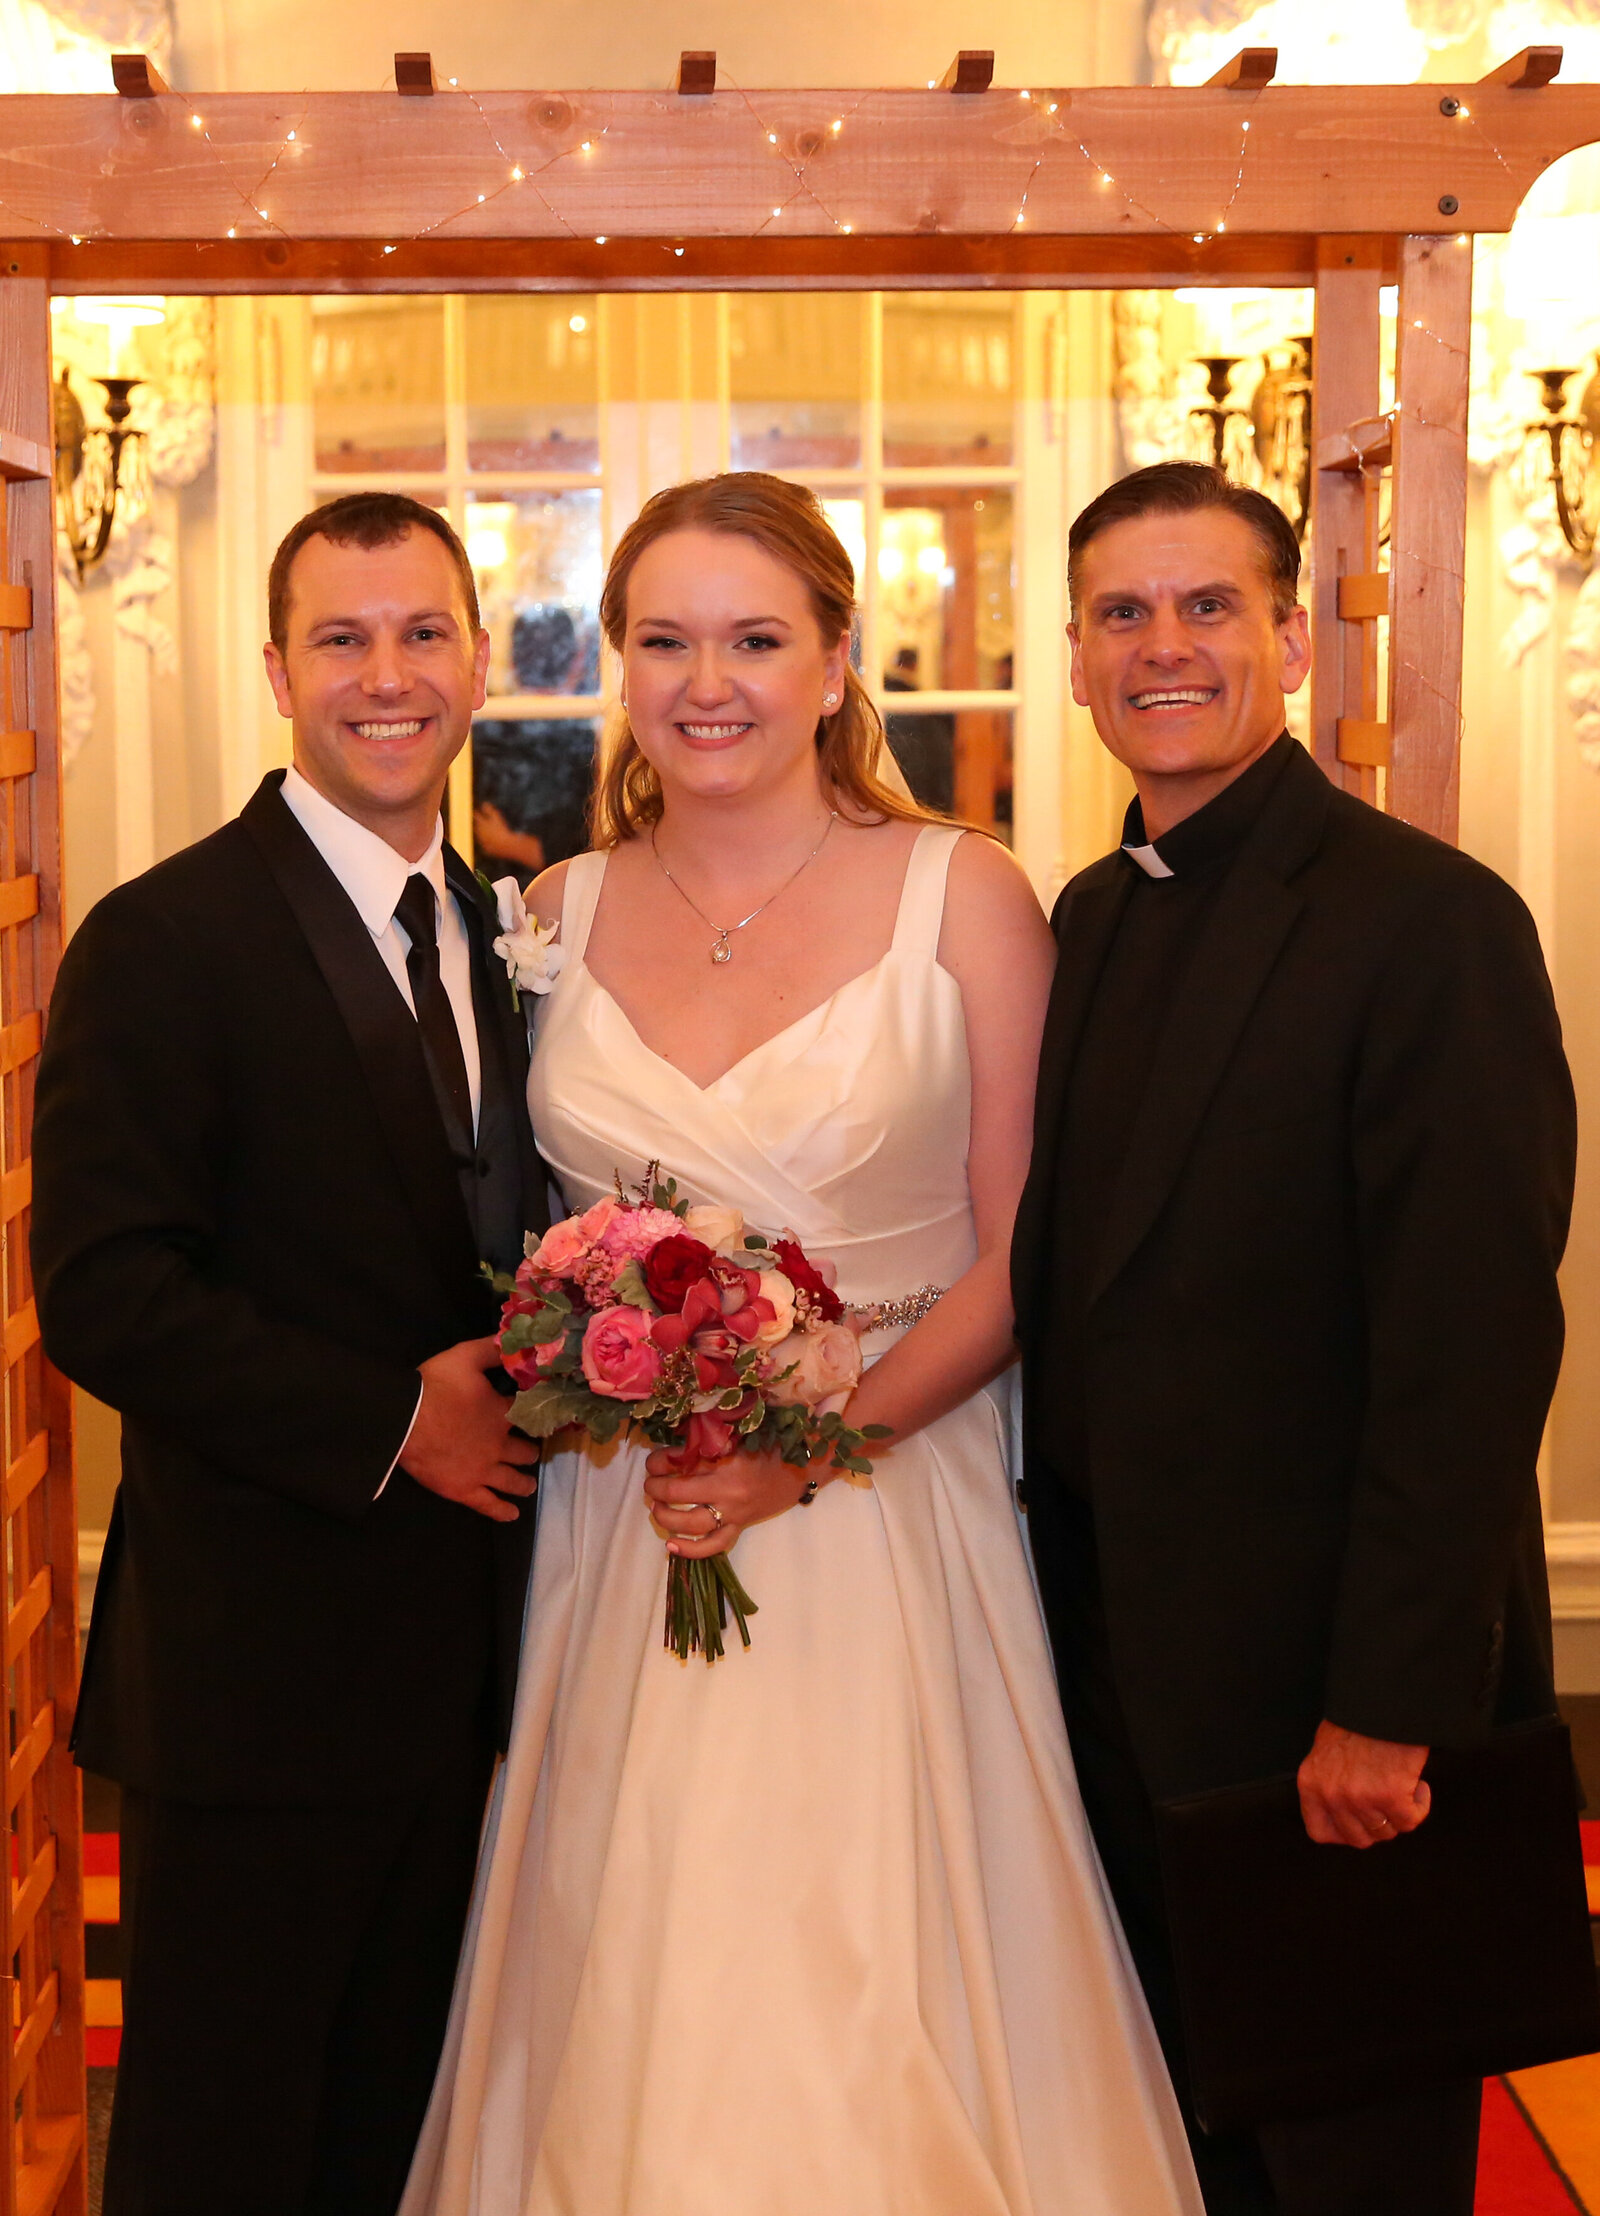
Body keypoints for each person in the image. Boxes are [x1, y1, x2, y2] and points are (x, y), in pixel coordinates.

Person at [401, 472, 1203, 2216]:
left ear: (840, 661)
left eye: (758, 639)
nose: (713, 681)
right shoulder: (557, 914)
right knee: (632, 1956)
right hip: (630, 1527)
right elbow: (529, 1233)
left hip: (886, 1516)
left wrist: (805, 1454)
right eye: (668, 640)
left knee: (864, 1965)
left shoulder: (963, 898)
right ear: (617, 663)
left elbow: (1022, 1256)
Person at [1011, 460, 1576, 2216]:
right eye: (1122, 614)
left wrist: (1388, 1709)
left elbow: (1468, 1349)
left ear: (1287, 642)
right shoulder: (1090, 917)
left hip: (1329, 1708)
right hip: (1117, 1670)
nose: (1162, 646)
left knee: (1353, 2163)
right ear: (1080, 656)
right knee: (1182, 2143)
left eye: (1206, 608)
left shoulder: (1429, 921)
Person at [32, 494, 549, 2216]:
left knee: (402, 2140)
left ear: (478, 659)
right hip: (256, 1681)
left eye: (422, 635)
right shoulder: (163, 939)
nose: (386, 676)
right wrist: (396, 1419)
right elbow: (104, 1287)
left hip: (480, 1671)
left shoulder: (514, 933)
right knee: (220, 2146)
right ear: (277, 670)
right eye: (343, 638)